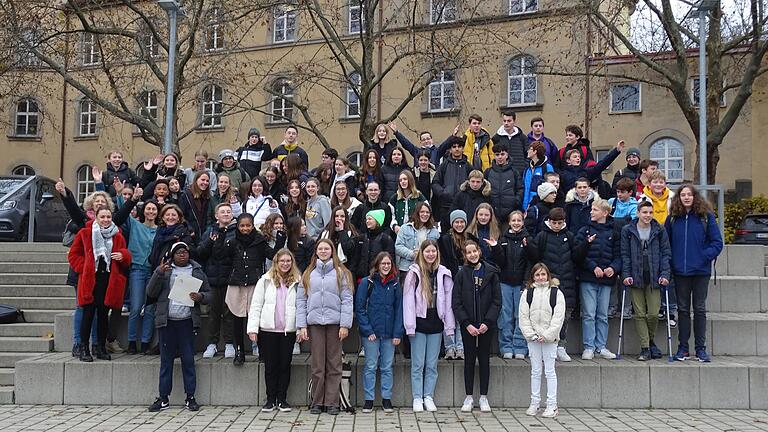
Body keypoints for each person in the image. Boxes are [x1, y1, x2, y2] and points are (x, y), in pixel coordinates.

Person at [146, 242, 209, 412]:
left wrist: (200, 296)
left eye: (185, 252)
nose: (182, 255)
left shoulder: (197, 270)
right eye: (178, 252)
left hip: (187, 322)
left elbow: (209, 294)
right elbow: (150, 292)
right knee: (166, 361)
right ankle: (163, 398)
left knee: (188, 360)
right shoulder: (164, 270)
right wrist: (158, 273)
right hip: (167, 322)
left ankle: (190, 397)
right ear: (172, 255)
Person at [296, 239, 354, 416]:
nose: (323, 251)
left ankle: (332, 402)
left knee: (334, 364)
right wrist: (302, 326)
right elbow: (301, 301)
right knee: (318, 365)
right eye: (320, 249)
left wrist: (345, 324)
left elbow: (347, 299)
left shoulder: (340, 273)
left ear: (332, 251)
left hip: (335, 324)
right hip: (315, 324)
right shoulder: (308, 274)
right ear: (316, 252)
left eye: (326, 248)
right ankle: (317, 401)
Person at [666, 184, 723, 362]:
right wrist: (671, 263)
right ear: (679, 198)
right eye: (683, 195)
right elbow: (665, 244)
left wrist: (703, 257)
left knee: (699, 309)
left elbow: (717, 243)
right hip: (680, 272)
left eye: (689, 195)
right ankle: (683, 348)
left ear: (695, 197)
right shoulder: (673, 219)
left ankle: (700, 349)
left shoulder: (706, 217)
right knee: (682, 310)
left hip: (700, 271)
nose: (686, 197)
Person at [68, 207, 132, 362]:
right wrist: (85, 266)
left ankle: (101, 347)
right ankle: (84, 347)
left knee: (103, 315)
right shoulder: (85, 233)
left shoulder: (117, 236)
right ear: (96, 218)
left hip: (108, 280)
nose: (106, 219)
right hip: (90, 279)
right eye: (102, 216)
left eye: (108, 217)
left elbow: (127, 256)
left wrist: (123, 255)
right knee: (88, 314)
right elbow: (73, 255)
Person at [224, 213, 285, 365]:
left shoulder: (259, 241)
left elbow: (272, 256)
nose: (245, 228)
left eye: (248, 225)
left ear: (252, 226)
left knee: (256, 317)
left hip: (254, 283)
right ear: (238, 226)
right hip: (236, 283)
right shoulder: (231, 242)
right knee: (237, 318)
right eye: (242, 226)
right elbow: (222, 257)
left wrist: (280, 241)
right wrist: (219, 237)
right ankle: (240, 351)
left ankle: (262, 350)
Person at [526, 207, 585, 362]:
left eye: (559, 223)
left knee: (564, 317)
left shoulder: (570, 236)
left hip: (567, 282)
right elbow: (535, 257)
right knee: (547, 315)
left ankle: (561, 346)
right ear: (549, 221)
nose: (557, 225)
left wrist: (586, 244)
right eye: (554, 223)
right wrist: (528, 246)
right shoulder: (542, 236)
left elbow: (577, 257)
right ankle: (547, 345)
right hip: (547, 283)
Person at [247, 248, 301, 412]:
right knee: (270, 366)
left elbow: (301, 307)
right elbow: (256, 305)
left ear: (292, 263)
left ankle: (282, 399)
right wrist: (252, 328)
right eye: (282, 261)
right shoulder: (265, 280)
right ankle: (270, 399)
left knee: (285, 365)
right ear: (276, 263)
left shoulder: (298, 281)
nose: (285, 264)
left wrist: (299, 329)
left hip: (288, 331)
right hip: (268, 331)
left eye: (288, 261)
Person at [403, 240, 454, 412]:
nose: (430, 254)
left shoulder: (443, 272)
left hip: (436, 323)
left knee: (432, 365)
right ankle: (417, 397)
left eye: (433, 251)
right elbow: (408, 301)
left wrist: (449, 324)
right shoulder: (414, 273)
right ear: (422, 253)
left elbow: (448, 301)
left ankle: (428, 396)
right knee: (418, 364)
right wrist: (409, 325)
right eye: (427, 251)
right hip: (419, 324)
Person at [453, 240, 501, 413]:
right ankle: (468, 397)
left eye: (475, 251)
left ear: (479, 252)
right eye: (469, 252)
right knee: (469, 361)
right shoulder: (461, 274)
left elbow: (497, 301)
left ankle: (483, 397)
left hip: (485, 327)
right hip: (469, 327)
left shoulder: (491, 272)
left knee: (484, 361)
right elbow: (456, 302)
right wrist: (466, 324)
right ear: (465, 255)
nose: (472, 254)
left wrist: (487, 323)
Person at [620, 200, 672, 361]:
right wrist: (626, 274)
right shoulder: (628, 230)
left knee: (654, 313)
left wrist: (665, 274)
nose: (648, 215)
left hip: (654, 276)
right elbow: (625, 254)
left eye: (650, 212)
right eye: (644, 212)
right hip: (636, 276)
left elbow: (666, 254)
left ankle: (649, 341)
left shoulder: (659, 230)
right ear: (638, 213)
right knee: (640, 313)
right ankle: (645, 348)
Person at [356, 252, 403, 414]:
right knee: (370, 366)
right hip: (371, 334)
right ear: (377, 265)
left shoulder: (395, 284)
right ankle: (369, 400)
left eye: (388, 264)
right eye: (383, 264)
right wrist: (367, 330)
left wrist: (397, 333)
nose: (385, 266)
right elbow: (360, 309)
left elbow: (399, 310)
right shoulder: (366, 283)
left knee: (387, 367)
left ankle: (386, 399)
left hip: (389, 334)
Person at [519, 263, 566, 419]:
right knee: (536, 371)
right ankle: (535, 402)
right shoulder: (527, 293)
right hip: (533, 338)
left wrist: (547, 335)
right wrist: (531, 334)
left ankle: (552, 405)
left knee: (550, 371)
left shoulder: (556, 293)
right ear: (533, 277)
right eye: (537, 275)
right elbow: (523, 316)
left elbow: (558, 318)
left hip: (549, 339)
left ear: (548, 276)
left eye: (543, 274)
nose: (540, 278)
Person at [575, 198, 621, 360]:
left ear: (605, 213)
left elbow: (619, 255)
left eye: (595, 210)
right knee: (589, 313)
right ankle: (589, 346)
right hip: (588, 277)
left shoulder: (614, 231)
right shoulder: (585, 230)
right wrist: (593, 266)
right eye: (592, 209)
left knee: (602, 314)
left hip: (606, 280)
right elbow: (579, 254)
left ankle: (601, 346)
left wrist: (613, 268)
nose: (591, 212)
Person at [197, 203, 238, 359]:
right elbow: (200, 252)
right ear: (216, 216)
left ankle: (229, 343)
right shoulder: (210, 231)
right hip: (213, 278)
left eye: (229, 211)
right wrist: (210, 242)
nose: (226, 214)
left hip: (230, 278)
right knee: (213, 313)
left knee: (229, 312)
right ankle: (212, 343)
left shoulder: (236, 232)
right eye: (223, 212)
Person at [120, 195, 158, 355]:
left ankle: (145, 342)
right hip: (137, 269)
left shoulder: (160, 229)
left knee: (149, 308)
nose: (151, 211)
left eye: (154, 209)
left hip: (153, 272)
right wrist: (123, 195)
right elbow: (124, 211)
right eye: (148, 208)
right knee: (135, 307)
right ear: (144, 211)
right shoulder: (135, 225)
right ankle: (131, 342)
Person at [491, 211, 531, 359]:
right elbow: (500, 262)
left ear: (523, 222)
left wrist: (526, 282)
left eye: (518, 220)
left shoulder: (527, 239)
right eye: (513, 220)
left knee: (520, 316)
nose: (516, 223)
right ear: (509, 222)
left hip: (521, 283)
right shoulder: (503, 239)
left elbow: (531, 261)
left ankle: (520, 345)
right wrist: (495, 248)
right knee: (505, 316)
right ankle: (506, 346)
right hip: (505, 282)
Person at [432, 139, 472, 228]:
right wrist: (443, 193)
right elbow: (435, 183)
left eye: (459, 147)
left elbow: (473, 184)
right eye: (454, 147)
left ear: (463, 148)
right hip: (446, 206)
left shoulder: (468, 166)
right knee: (445, 234)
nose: (457, 149)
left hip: (463, 206)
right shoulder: (444, 165)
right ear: (450, 149)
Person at [559, 140, 624, 193]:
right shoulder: (562, 175)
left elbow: (602, 164)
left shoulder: (586, 172)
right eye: (575, 157)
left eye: (579, 157)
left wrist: (616, 151)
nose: (578, 158)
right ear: (568, 160)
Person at [394, 202, 440, 277]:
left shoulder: (434, 231)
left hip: (427, 269)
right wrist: (412, 254)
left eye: (427, 212)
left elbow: (437, 250)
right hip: (407, 268)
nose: (425, 214)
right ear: (416, 213)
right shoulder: (405, 228)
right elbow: (398, 247)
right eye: (422, 212)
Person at [349, 209, 395, 280]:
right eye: (366, 219)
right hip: (361, 278)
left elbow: (390, 260)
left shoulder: (386, 239)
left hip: (379, 278)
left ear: (377, 221)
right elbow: (355, 260)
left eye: (370, 219)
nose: (367, 221)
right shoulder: (361, 238)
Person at [484, 143, 523, 225]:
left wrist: (515, 201)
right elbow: (484, 190)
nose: (500, 157)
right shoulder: (488, 172)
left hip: (509, 215)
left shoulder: (514, 172)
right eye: (497, 155)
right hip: (492, 215)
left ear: (507, 155)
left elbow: (520, 189)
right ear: (494, 156)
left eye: (502, 154)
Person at [491, 110, 528, 175]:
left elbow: (528, 154)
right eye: (504, 121)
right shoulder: (496, 138)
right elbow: (492, 155)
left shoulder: (522, 137)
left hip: (520, 172)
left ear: (514, 121)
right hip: (502, 174)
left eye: (509, 121)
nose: (506, 123)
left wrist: (524, 166)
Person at [178, 171, 213, 239]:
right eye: (202, 180)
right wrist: (189, 229)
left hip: (204, 235)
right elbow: (181, 216)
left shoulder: (208, 198)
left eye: (207, 181)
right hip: (190, 234)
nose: (205, 183)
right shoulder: (185, 195)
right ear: (196, 180)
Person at [521, 141, 555, 210]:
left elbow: (551, 188)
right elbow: (525, 189)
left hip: (542, 207)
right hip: (527, 207)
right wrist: (524, 207)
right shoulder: (527, 169)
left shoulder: (547, 168)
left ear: (535, 151)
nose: (527, 151)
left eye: (529, 149)